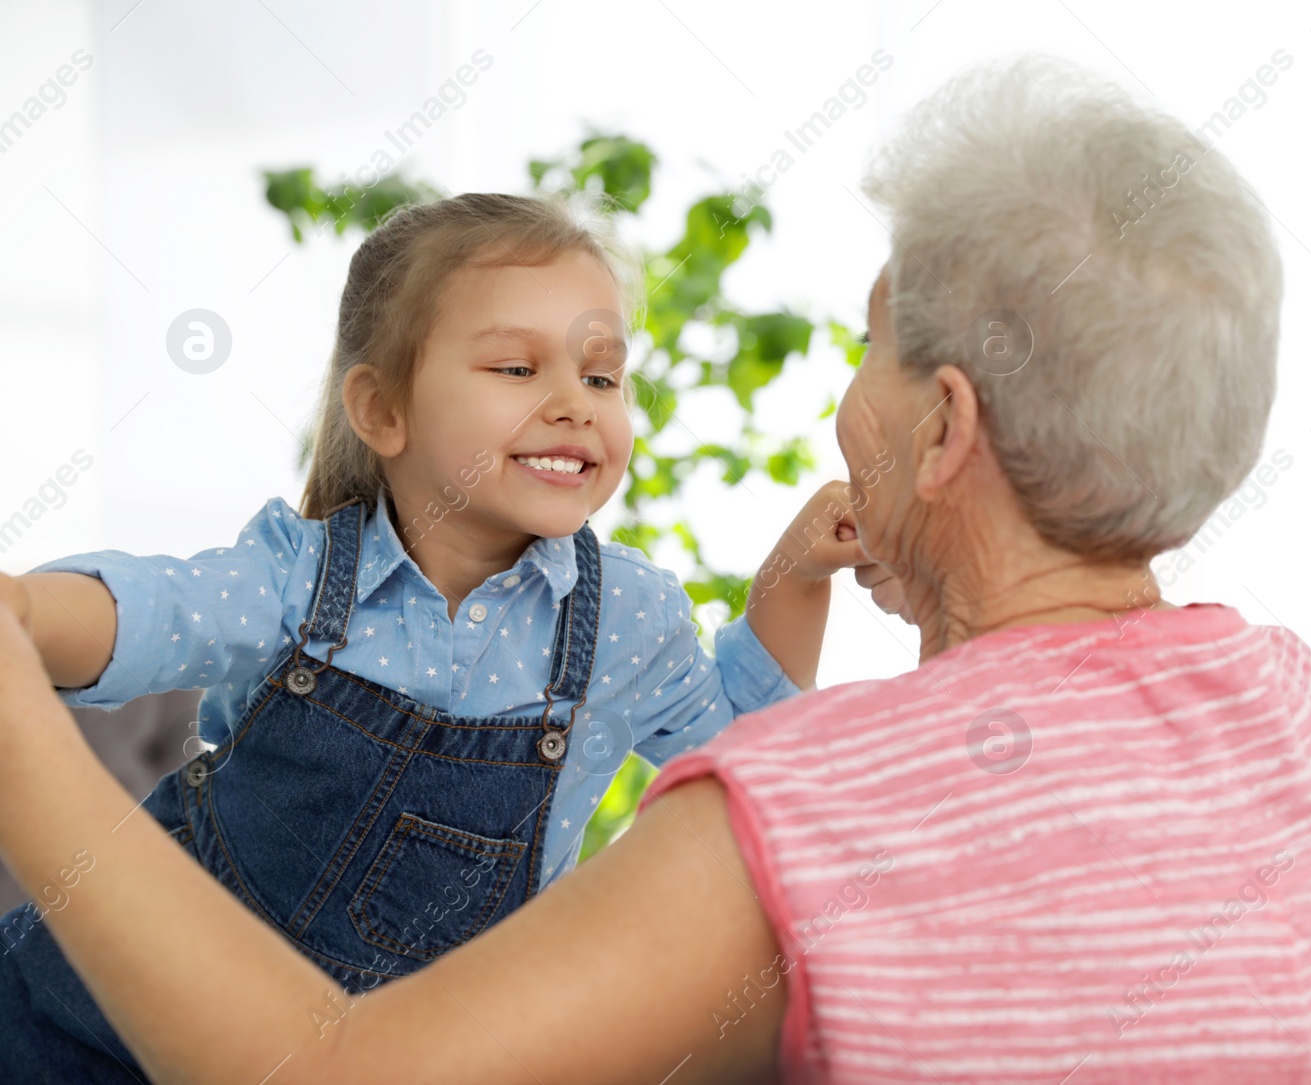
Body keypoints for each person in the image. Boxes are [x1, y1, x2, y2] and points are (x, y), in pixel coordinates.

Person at [0, 54, 1311, 1084]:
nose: (843, 403)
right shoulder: (1306, 717)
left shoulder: (784, 822)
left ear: (945, 427)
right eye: (512, 365)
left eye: (871, 351)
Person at [0, 191, 865, 1081]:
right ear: (382, 411)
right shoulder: (298, 575)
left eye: (601, 376)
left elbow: (754, 750)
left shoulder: (624, 620)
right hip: (86, 1025)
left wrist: (796, 578)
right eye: (518, 370)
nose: (575, 403)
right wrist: (21, 612)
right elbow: (152, 611)